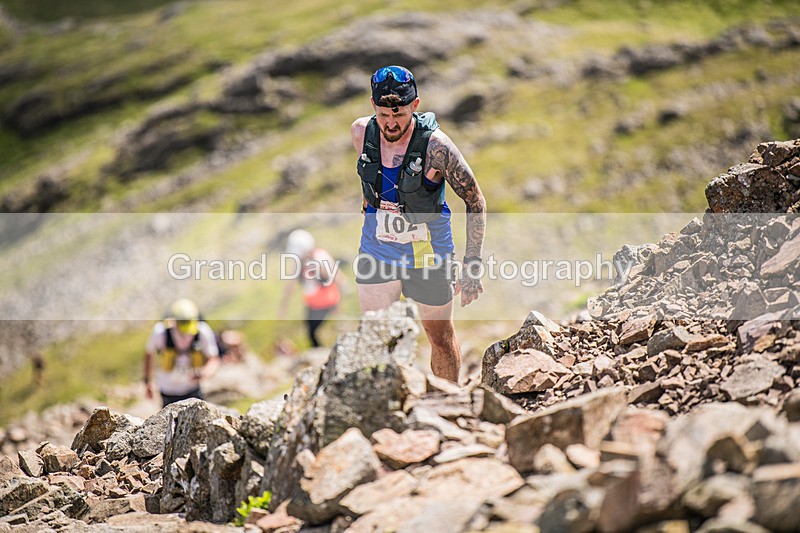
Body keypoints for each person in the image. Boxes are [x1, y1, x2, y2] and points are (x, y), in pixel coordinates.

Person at [351, 65, 486, 382]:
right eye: (383, 114)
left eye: (398, 115)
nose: (391, 122)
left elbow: (475, 200)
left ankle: (450, 406)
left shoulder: (436, 146)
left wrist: (472, 263)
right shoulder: (362, 132)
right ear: (374, 106)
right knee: (376, 335)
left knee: (438, 336)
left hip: (428, 251)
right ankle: (386, 417)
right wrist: (369, 206)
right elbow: (367, 176)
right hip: (378, 247)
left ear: (415, 105)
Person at [143, 298, 220, 406]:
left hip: (192, 388)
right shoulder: (161, 332)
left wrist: (205, 372)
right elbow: (149, 354)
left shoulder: (202, 331)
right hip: (167, 389)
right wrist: (147, 382)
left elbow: (213, 358)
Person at [278, 229, 342, 348]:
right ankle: (320, 354)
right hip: (313, 304)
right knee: (310, 332)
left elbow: (337, 277)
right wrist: (284, 304)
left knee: (315, 332)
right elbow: (291, 283)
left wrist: (338, 305)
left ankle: (325, 354)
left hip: (327, 302)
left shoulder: (320, 257)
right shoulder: (300, 263)